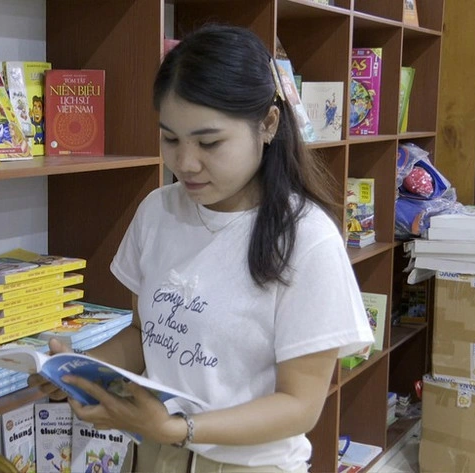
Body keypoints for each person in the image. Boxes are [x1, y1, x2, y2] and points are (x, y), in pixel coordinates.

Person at [29, 23, 374, 473]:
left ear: (267, 124)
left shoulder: (308, 240)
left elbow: (299, 406)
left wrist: (181, 428)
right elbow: (145, 335)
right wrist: (81, 370)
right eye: (170, 139)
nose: (185, 164)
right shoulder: (158, 210)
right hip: (154, 454)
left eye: (209, 143)